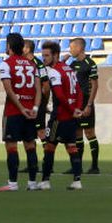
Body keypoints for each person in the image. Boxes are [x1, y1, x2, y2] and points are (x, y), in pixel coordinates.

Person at [0, 33, 42, 192]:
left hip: (14, 111)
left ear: (9, 46)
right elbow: (38, 90)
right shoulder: (32, 65)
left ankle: (13, 183)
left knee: (11, 147)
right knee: (30, 146)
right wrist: (34, 108)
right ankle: (32, 183)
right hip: (31, 111)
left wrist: (21, 108)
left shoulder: (6, 64)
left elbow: (9, 90)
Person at [40, 42, 85, 190]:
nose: (44, 58)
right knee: (72, 147)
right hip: (71, 117)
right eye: (43, 55)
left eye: (47, 55)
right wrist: (77, 108)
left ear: (55, 55)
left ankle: (45, 181)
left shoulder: (54, 72)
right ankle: (77, 181)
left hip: (59, 117)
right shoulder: (69, 69)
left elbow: (59, 95)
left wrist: (72, 109)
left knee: (49, 147)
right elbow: (79, 90)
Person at [64, 38, 100, 175]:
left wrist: (89, 105)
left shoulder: (90, 64)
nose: (70, 50)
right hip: (75, 103)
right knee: (77, 133)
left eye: (72, 47)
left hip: (86, 101)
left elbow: (95, 85)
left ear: (80, 48)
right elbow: (58, 71)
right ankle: (76, 166)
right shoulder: (72, 64)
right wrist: (63, 60)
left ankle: (95, 166)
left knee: (89, 133)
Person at [24, 39, 52, 147]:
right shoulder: (23, 62)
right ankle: (32, 162)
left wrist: (44, 102)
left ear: (27, 49)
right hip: (27, 101)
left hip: (37, 102)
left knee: (40, 131)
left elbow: (46, 85)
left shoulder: (38, 64)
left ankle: (48, 156)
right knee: (29, 133)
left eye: (23, 47)